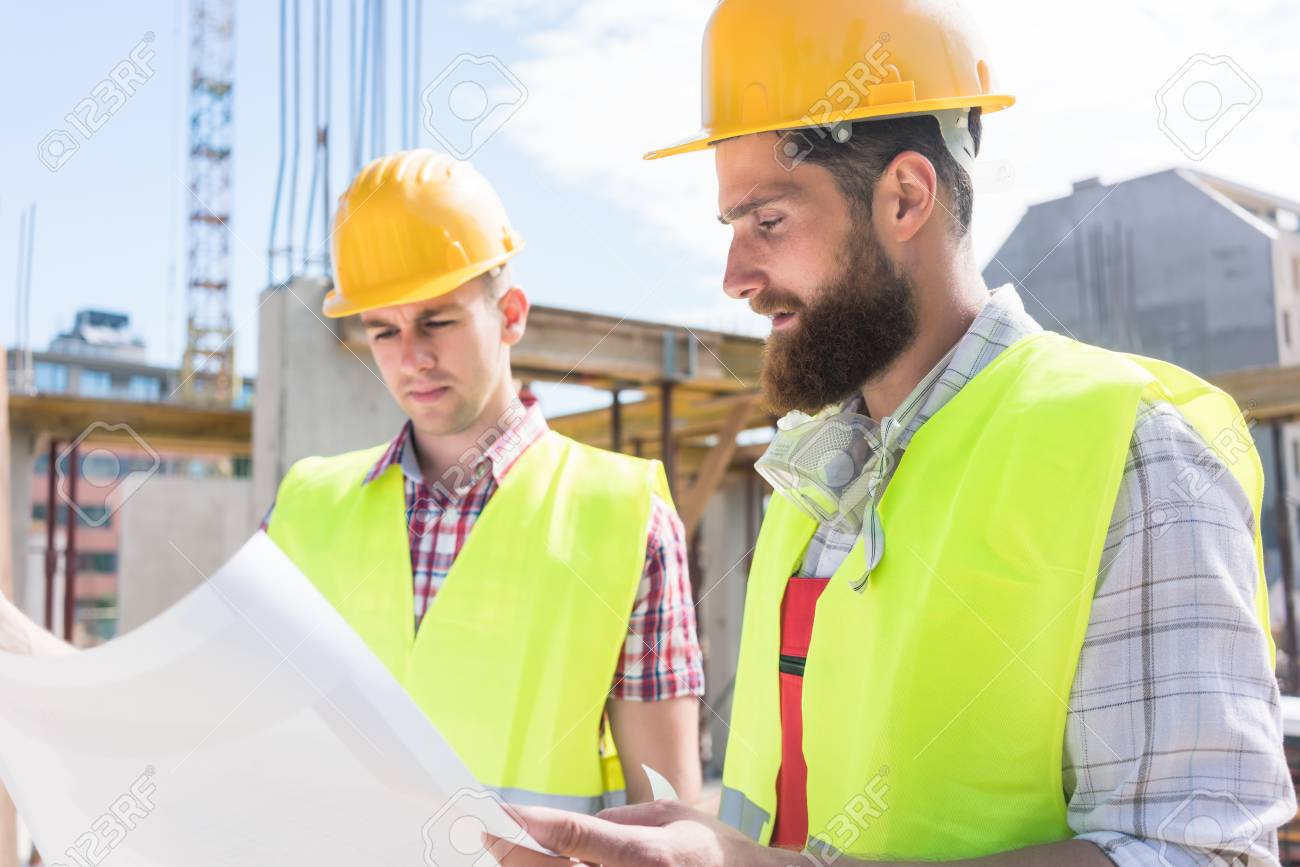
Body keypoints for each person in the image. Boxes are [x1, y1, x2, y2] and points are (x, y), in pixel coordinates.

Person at [490, 0, 1295, 864]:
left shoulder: (1132, 448)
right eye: (731, 228)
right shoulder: (811, 481)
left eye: (768, 221)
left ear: (904, 197)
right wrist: (718, 844)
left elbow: (1193, 853)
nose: (734, 277)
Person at [0, 150, 705, 813]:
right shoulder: (309, 505)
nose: (414, 357)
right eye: (384, 330)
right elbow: (196, 709)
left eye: (438, 319)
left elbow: (667, 827)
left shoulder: (623, 514)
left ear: (510, 313)